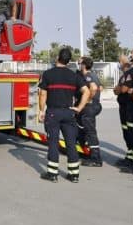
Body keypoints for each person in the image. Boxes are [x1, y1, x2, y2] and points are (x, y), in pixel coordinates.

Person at [36, 47, 91, 183]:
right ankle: (74, 175)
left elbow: (43, 93)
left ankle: (53, 174)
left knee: (53, 143)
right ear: (68, 61)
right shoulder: (74, 76)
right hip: (69, 112)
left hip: (53, 112)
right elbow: (87, 92)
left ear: (57, 58)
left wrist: (41, 110)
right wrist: (79, 108)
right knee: (71, 143)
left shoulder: (48, 74)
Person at [76, 56, 103, 167]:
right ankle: (85, 152)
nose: (78, 63)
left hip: (89, 107)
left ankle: (96, 158)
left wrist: (87, 99)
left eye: (79, 62)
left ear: (84, 64)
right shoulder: (91, 74)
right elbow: (100, 87)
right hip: (91, 106)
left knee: (90, 132)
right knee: (83, 130)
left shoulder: (88, 76)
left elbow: (94, 88)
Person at [113, 55, 133, 169]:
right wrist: (119, 88)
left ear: (123, 62)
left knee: (131, 133)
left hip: (129, 108)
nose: (118, 64)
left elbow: (123, 89)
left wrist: (120, 88)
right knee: (126, 133)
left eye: (119, 62)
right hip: (123, 107)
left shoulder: (130, 74)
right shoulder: (123, 76)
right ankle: (130, 155)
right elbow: (116, 90)